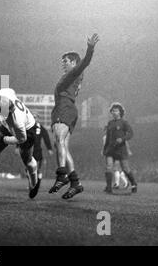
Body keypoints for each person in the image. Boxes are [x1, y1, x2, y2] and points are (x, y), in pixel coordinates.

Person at [50, 33, 99, 199]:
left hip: (65, 108)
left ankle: (62, 175)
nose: (63, 64)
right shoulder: (72, 76)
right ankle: (75, 183)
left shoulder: (74, 73)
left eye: (66, 61)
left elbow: (85, 62)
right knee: (62, 145)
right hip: (65, 108)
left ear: (74, 63)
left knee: (59, 141)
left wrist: (90, 48)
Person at [102, 102, 137, 193]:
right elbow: (108, 137)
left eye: (116, 111)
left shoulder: (124, 123)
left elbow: (130, 133)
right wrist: (105, 149)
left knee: (125, 168)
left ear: (120, 112)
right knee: (109, 167)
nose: (114, 112)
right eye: (113, 111)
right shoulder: (110, 123)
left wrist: (122, 139)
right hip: (110, 149)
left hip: (121, 149)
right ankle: (109, 187)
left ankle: (133, 184)